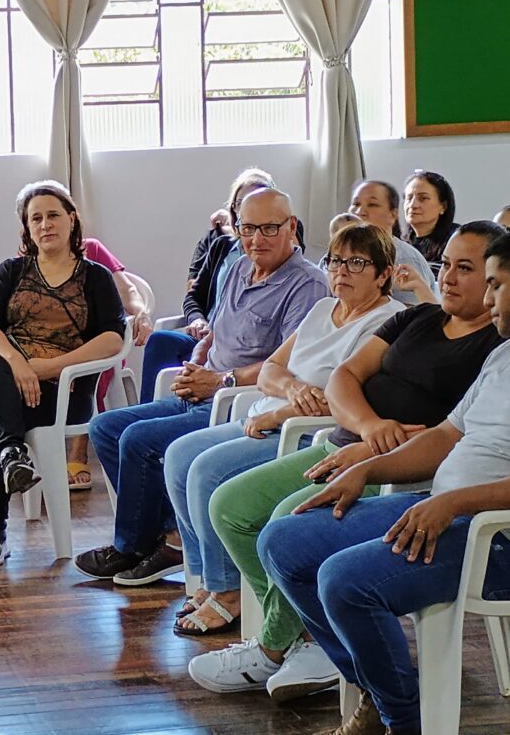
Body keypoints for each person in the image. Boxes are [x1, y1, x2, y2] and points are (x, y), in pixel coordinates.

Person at [192, 222, 506, 704]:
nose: (448, 277)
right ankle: (314, 647)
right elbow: (349, 380)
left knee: (318, 556)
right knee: (258, 522)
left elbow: (433, 430)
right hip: (359, 448)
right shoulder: (445, 331)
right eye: (446, 265)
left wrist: (379, 458)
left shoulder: (486, 345)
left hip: (454, 506)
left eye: (477, 273)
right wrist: (364, 445)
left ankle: (314, 661)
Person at [75, 189, 329, 585]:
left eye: (269, 228)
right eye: (248, 228)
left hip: (236, 401)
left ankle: (133, 547)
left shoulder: (307, 285)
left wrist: (219, 381)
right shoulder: (238, 268)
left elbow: (289, 364)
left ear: (291, 227)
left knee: (139, 440)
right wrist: (196, 361)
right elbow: (215, 331)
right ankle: (166, 537)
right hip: (204, 385)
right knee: (106, 427)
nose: (256, 239)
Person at [166, 224, 404, 637]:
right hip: (272, 411)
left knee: (206, 472)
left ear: (383, 273)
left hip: (307, 431)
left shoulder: (387, 323)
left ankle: (230, 593)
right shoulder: (321, 310)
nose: (341, 271)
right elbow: (271, 369)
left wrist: (283, 413)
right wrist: (292, 387)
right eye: (335, 261)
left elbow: (354, 397)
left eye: (357, 263)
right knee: (178, 456)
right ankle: (212, 577)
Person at [0, 181, 125, 567]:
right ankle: (12, 454)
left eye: (53, 215)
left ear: (71, 219)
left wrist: (50, 367)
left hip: (63, 395)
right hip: (6, 383)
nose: (45, 224)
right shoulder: (12, 272)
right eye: (35, 218)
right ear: (27, 228)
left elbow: (112, 339)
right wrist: (19, 364)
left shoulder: (95, 277)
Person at [141, 169, 277, 404]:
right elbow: (193, 296)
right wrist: (197, 320)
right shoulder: (221, 247)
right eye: (240, 203)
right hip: (207, 335)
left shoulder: (279, 254)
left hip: (244, 348)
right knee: (160, 340)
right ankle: (154, 408)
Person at [66, 236, 152, 489]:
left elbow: (127, 290)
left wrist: (140, 314)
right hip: (50, 345)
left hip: (96, 344)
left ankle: (78, 449)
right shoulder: (26, 259)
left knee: (93, 354)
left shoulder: (90, 248)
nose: (46, 225)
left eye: (54, 215)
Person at [347, 179, 437, 306]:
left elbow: (415, 317)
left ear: (392, 215)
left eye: (372, 204)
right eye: (356, 204)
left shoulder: (404, 258)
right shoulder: (339, 253)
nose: (360, 212)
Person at [403, 169, 458, 275]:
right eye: (409, 198)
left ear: (443, 207)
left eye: (423, 198)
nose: (413, 205)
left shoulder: (456, 240)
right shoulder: (400, 245)